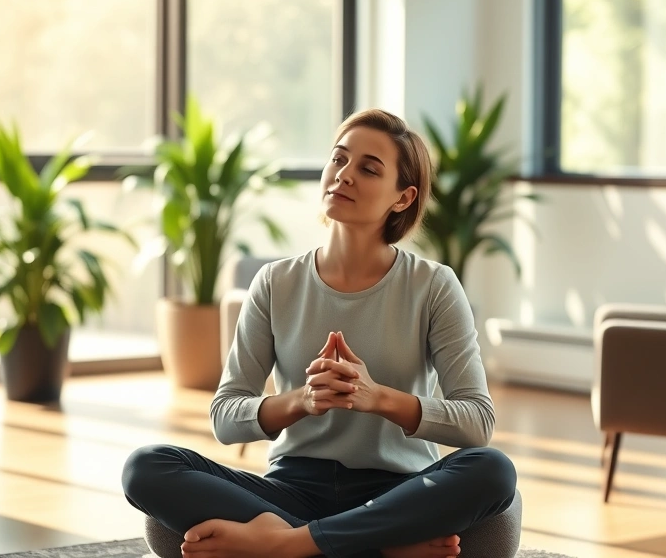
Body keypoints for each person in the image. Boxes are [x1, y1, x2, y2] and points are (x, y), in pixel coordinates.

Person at [122, 109, 517, 558]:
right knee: (146, 466)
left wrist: (376, 397)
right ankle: (374, 548)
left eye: (368, 169)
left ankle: (288, 545)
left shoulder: (433, 286)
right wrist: (300, 402)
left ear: (403, 198)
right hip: (291, 489)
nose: (343, 175)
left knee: (492, 470)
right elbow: (225, 416)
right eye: (339, 159)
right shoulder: (276, 282)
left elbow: (477, 422)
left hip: (398, 492)